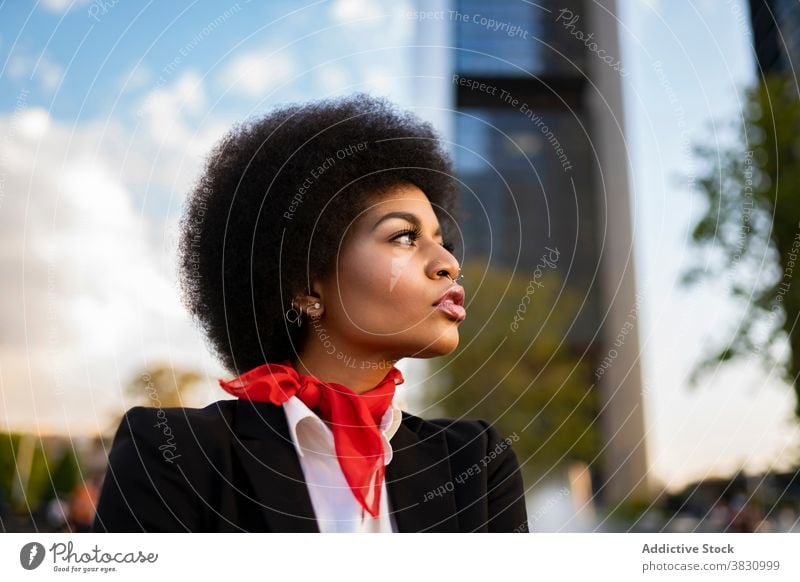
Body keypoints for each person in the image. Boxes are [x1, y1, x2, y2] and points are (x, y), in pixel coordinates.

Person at [92, 93, 528, 533]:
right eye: (403, 237)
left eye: (443, 242)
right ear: (305, 287)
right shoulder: (174, 453)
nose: (448, 264)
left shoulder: (476, 462)